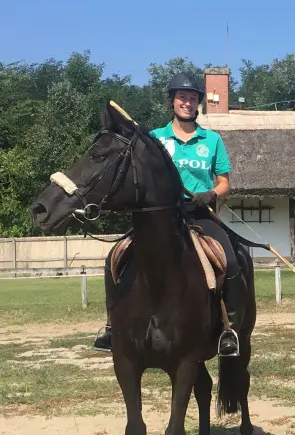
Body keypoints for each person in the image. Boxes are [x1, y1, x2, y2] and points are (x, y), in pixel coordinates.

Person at [93, 72, 246, 356]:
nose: (188, 103)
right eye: (182, 97)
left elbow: (224, 182)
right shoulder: (155, 139)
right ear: (172, 101)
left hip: (199, 214)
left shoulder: (211, 140)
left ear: (199, 102)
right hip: (161, 218)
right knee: (115, 255)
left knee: (232, 259)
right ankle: (113, 327)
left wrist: (211, 193)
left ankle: (230, 330)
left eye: (192, 98)